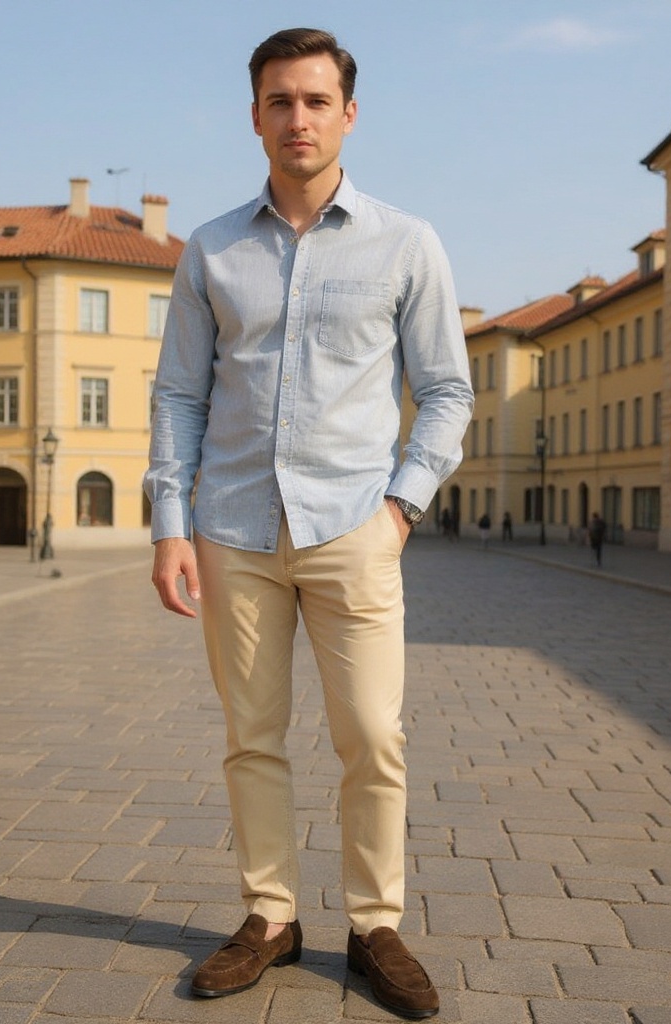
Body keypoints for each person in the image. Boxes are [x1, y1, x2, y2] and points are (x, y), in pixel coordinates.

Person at [145, 27, 473, 1020]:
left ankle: (374, 926)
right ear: (254, 116)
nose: (298, 118)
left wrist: (399, 507)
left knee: (372, 733)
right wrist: (170, 522)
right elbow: (178, 397)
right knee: (253, 734)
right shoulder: (211, 249)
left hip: (352, 529)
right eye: (279, 101)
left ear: (347, 115)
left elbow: (448, 391)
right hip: (233, 528)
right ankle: (270, 917)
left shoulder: (406, 242)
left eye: (315, 101)